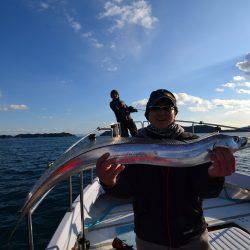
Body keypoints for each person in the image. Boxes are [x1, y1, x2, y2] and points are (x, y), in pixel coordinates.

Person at [98, 89, 236, 249]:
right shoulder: (133, 146)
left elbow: (207, 192)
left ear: (175, 113)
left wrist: (214, 177)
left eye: (167, 108)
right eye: (155, 108)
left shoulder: (195, 144)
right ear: (148, 114)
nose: (161, 112)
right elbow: (126, 191)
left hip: (192, 235)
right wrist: (110, 182)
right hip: (149, 238)